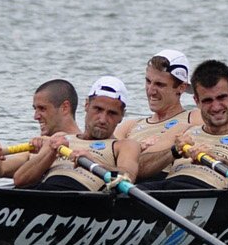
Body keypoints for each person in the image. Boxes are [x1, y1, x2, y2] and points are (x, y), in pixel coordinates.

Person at [138, 60, 228, 191]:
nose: (216, 107)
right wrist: (174, 151)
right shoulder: (183, 129)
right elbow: (140, 167)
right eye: (207, 100)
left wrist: (218, 159)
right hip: (168, 189)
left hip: (208, 191)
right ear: (197, 101)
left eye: (221, 97)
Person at [14, 76, 142, 191]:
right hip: (43, 192)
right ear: (86, 105)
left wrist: (94, 163)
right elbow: (20, 180)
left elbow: (128, 175)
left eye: (112, 113)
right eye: (98, 109)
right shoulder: (60, 138)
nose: (102, 119)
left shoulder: (125, 145)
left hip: (79, 198)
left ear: (121, 116)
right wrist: (50, 152)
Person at [114, 49, 198, 179]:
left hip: (161, 183)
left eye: (159, 84)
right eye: (148, 81)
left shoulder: (193, 118)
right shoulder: (130, 125)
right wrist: (138, 149)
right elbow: (105, 154)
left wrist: (129, 152)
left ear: (181, 87)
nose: (151, 91)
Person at [0, 79, 79, 178]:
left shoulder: (89, 146)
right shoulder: (35, 150)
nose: (36, 117)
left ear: (65, 107)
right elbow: (0, 171)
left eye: (42, 109)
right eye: (35, 109)